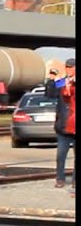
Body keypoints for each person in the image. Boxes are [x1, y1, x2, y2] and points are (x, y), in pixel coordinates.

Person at [44, 58, 76, 191]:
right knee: (60, 155)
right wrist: (51, 80)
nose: (68, 70)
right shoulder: (62, 83)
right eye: (67, 67)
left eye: (71, 67)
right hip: (63, 126)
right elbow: (50, 94)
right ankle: (60, 178)